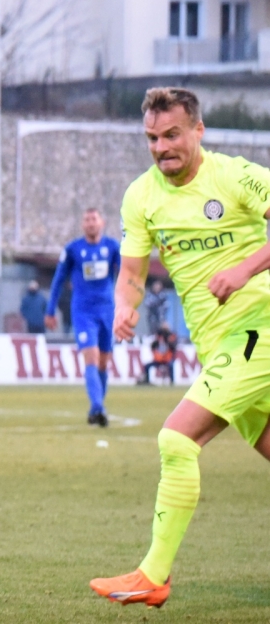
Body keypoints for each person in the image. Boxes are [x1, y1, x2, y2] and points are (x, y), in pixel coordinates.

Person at [91, 87, 270, 608]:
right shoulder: (140, 197)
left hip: (259, 325)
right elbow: (131, 274)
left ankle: (153, 575)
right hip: (218, 344)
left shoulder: (234, 176)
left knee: (176, 438)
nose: (161, 147)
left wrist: (243, 270)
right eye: (152, 138)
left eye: (172, 135)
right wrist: (124, 306)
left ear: (198, 130)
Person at [44, 208, 120, 427]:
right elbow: (58, 279)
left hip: (107, 310)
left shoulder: (112, 247)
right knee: (91, 357)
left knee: (104, 362)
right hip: (83, 311)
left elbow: (126, 273)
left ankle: (98, 407)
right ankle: (97, 407)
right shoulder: (73, 249)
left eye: (94, 219)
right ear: (82, 224)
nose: (90, 223)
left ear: (102, 222)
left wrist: (129, 303)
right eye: (87, 220)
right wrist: (50, 310)